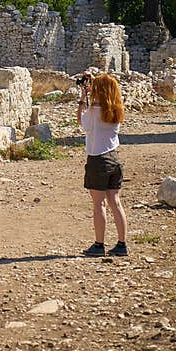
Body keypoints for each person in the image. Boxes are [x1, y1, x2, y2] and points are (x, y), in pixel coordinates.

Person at [76, 72, 128, 257]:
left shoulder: (93, 111)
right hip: (114, 158)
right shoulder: (116, 110)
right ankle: (122, 244)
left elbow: (82, 123)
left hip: (97, 159)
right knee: (115, 202)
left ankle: (99, 245)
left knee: (99, 204)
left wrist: (83, 99)